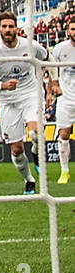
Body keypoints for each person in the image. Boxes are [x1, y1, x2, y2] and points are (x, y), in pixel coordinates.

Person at [0, 11, 52, 195]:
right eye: (4, 26)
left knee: (36, 132)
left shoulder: (30, 46)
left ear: (16, 28)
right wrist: (3, 85)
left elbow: (48, 59)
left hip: (30, 93)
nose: (7, 30)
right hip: (7, 100)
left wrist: (54, 82)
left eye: (10, 26)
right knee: (16, 149)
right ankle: (29, 180)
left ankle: (38, 155)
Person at [52, 16, 75, 184]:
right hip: (66, 98)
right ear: (68, 30)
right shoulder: (60, 49)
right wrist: (52, 89)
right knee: (64, 133)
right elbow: (52, 71)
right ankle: (64, 171)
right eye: (73, 29)